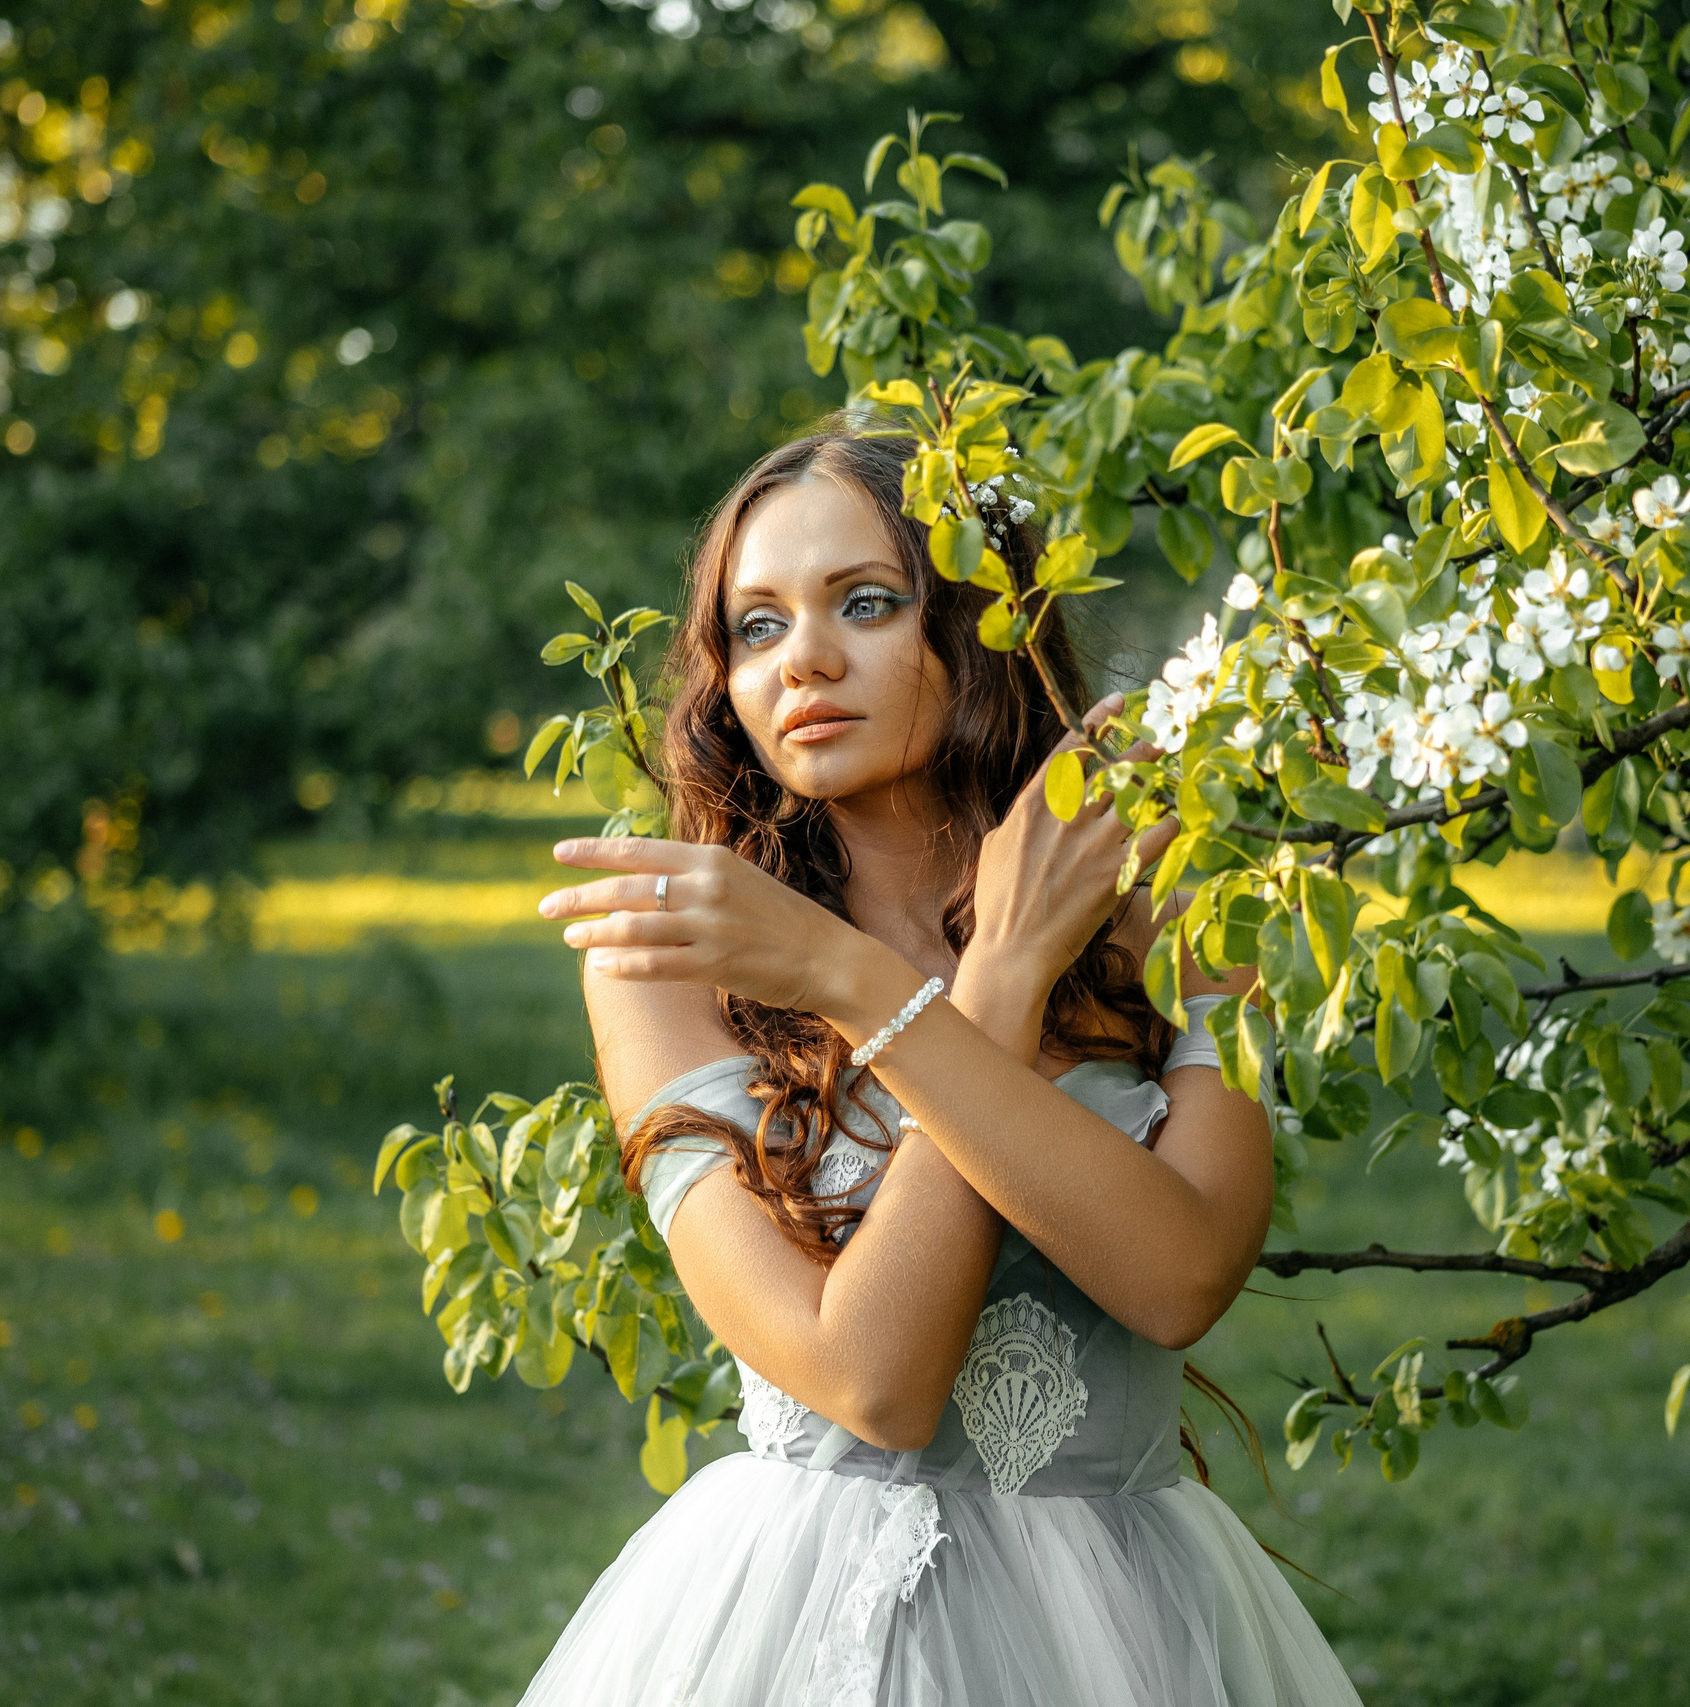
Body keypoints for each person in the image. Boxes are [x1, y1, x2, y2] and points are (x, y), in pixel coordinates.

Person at [522, 416, 1363, 1706]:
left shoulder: (1183, 905)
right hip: (811, 1619)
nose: (804, 659)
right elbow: (872, 1380)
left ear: (980, 622)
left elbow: (1180, 1279)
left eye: (865, 601)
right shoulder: (673, 959)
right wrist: (984, 979)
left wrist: (964, 971)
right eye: (756, 626)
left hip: (1137, 1623)